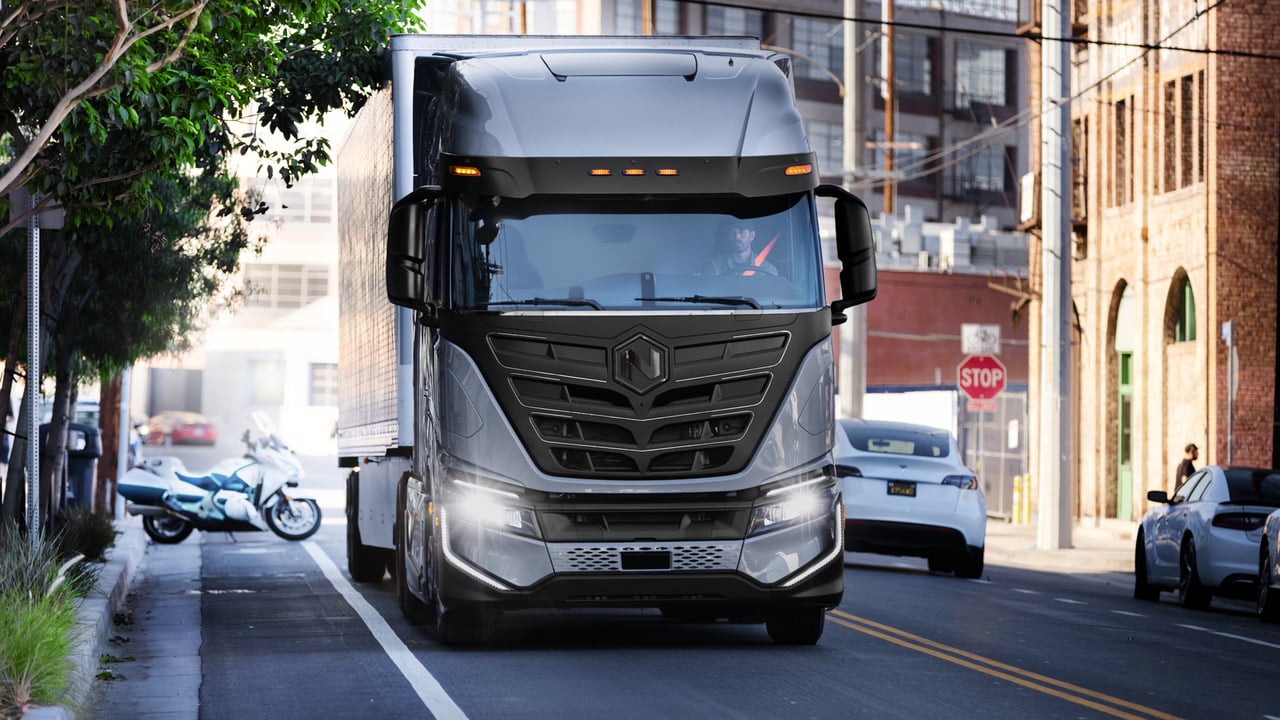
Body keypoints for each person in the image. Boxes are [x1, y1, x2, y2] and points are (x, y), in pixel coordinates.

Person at [703, 221, 779, 276]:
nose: (737, 236)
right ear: (728, 236)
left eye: (741, 231)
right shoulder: (714, 267)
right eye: (733, 232)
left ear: (752, 236)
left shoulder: (768, 271)